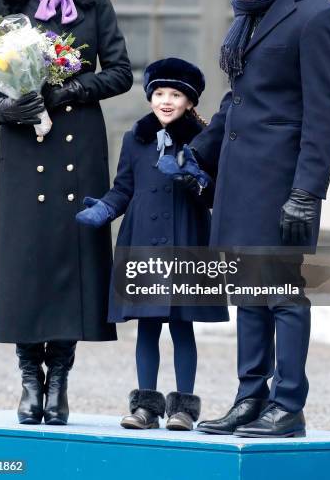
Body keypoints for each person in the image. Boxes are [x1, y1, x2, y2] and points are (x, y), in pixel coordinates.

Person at [175, 0, 330, 437]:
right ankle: (251, 398)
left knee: (281, 293)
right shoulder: (252, 13)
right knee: (248, 292)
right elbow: (239, 99)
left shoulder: (317, 16)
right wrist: (197, 154)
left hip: (281, 184)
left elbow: (325, 116)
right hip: (240, 177)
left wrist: (306, 194)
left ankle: (287, 404)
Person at [0, 0, 133, 425]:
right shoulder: (3, 1)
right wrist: (6, 108)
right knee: (29, 259)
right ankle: (29, 377)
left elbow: (119, 73)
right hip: (26, 148)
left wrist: (69, 88)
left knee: (74, 258)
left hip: (77, 146)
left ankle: (60, 378)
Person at [76, 58, 229, 431]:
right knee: (146, 325)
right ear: (149, 97)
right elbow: (123, 188)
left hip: (187, 239)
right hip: (142, 240)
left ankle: (183, 409)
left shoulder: (203, 138)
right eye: (159, 93)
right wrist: (105, 209)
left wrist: (196, 179)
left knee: (182, 324)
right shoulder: (134, 138)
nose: (165, 100)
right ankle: (146, 406)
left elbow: (215, 193)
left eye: (175, 94)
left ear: (190, 102)